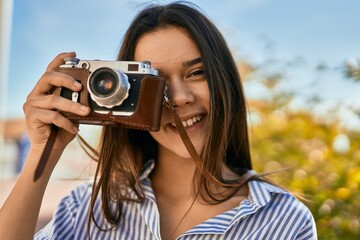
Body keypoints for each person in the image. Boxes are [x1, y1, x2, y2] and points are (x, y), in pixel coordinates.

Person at [0, 1, 317, 239]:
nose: (179, 97)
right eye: (157, 82)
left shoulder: (284, 220)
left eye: (196, 72)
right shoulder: (88, 209)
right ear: (126, 99)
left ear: (225, 81)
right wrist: (43, 154)